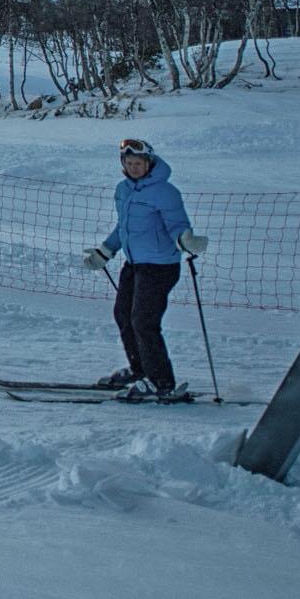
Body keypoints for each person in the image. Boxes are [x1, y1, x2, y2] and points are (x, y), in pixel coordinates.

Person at [82, 139, 209, 404]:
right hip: (134, 264)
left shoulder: (165, 192)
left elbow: (177, 225)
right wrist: (105, 252)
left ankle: (161, 381)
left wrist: (186, 240)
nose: (133, 167)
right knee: (123, 315)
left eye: (138, 163)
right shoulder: (123, 190)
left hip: (160, 267)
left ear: (149, 163)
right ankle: (140, 369)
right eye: (128, 163)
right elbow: (123, 228)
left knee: (144, 321)